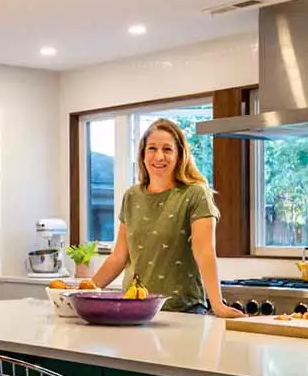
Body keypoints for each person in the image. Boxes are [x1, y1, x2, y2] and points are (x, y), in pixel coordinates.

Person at [90, 118, 245, 317]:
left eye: (168, 149)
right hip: (134, 310)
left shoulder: (195, 194)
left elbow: (204, 251)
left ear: (180, 154)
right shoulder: (132, 196)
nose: (159, 156)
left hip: (183, 312)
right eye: (152, 148)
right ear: (143, 155)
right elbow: (119, 257)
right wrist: (85, 292)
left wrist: (217, 305)